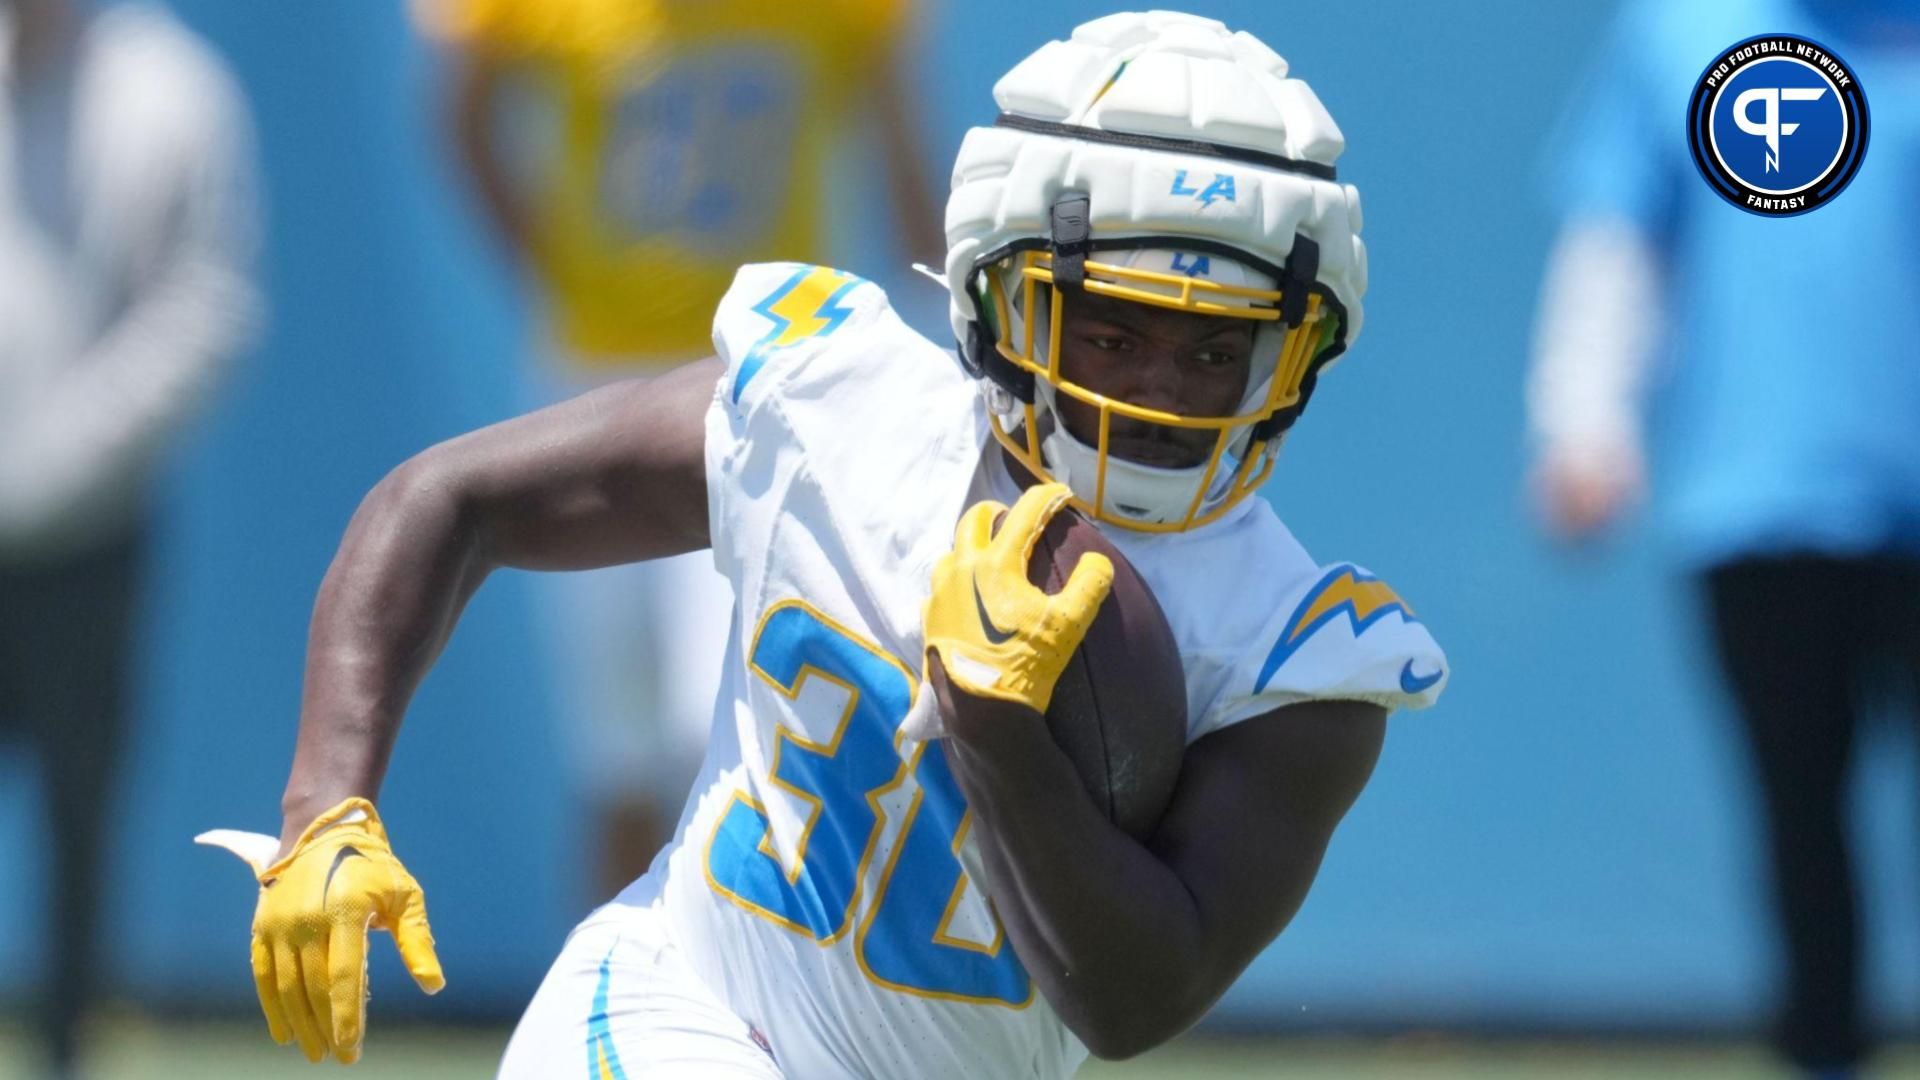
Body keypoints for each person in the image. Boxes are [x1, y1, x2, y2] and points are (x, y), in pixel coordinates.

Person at [203, 11, 1446, 1076]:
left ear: (1292, 355)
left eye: (1215, 348)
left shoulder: (1301, 655)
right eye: (1111, 333)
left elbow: (1134, 1001)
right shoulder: (833, 409)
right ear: (1003, 298)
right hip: (674, 1010)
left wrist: (999, 731)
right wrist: (327, 805)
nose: (1161, 391)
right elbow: (449, 498)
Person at [410, 0, 946, 899]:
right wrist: (558, 269)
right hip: (592, 378)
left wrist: (933, 349)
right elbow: (459, 115)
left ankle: (739, 998)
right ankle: (602, 999)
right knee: (613, 746)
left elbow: (905, 178)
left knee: (719, 708)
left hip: (760, 379)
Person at [1528, 1, 1920, 1075]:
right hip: (1761, 497)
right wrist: (1583, 423)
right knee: (1801, 815)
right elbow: (1617, 233)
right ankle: (1826, 1055)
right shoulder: (1683, 33)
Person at [0, 0, 258, 1075]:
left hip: (88, 535)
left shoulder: (173, 89)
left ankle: (65, 1049)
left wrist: (44, 474)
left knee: (79, 818)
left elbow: (206, 309)